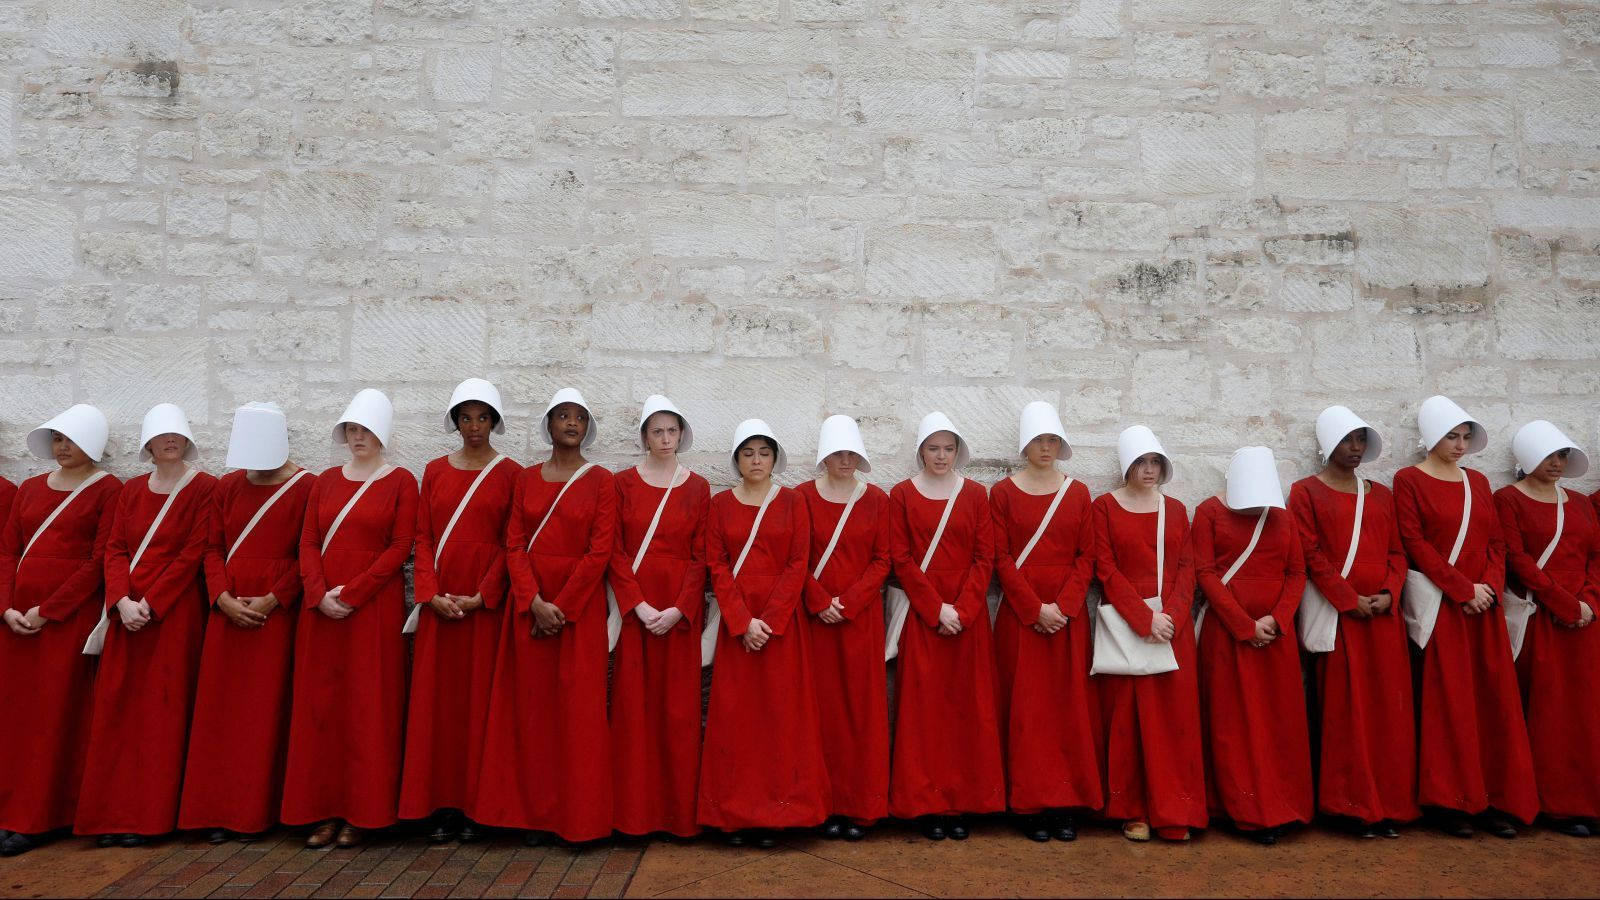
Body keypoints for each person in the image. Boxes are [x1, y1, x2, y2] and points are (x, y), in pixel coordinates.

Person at [474, 389, 616, 846]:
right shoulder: (526, 479)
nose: (571, 423)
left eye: (579, 417)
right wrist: (533, 600)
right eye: (562, 416)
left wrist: (562, 607)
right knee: (528, 713)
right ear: (550, 426)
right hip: (528, 607)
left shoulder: (601, 480)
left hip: (578, 609)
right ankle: (527, 815)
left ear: (587, 427)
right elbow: (513, 543)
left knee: (576, 715)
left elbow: (600, 550)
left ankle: (573, 817)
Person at [1394, 395, 1537, 838]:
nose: (1459, 445)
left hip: (1483, 608)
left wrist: (1488, 588)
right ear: (1431, 437)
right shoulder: (1408, 480)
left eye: (1464, 437)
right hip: (1446, 609)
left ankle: (1495, 796)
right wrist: (1461, 590)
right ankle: (1451, 801)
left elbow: (1496, 543)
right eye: (1451, 436)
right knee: (1449, 702)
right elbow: (1415, 542)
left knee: (1493, 702)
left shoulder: (1477, 483)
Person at [76, 404, 217, 846]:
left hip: (172, 614)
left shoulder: (205, 488)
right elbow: (115, 548)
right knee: (118, 712)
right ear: (149, 446)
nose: (170, 441)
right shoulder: (132, 491)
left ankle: (150, 816)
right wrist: (120, 599)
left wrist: (151, 603)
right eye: (162, 436)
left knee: (162, 712)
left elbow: (195, 551)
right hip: (127, 612)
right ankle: (110, 814)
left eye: (177, 435)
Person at [283, 389, 418, 849]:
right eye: (352, 430)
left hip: (372, 609)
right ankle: (321, 810)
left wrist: (355, 592)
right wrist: (318, 593)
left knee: (367, 708)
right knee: (322, 709)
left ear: (382, 434)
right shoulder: (324, 481)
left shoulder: (401, 481)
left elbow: (401, 546)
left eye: (366, 430)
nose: (359, 438)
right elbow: (307, 542)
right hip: (321, 611)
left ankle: (364, 811)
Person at [180, 403, 315, 843]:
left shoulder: (306, 487)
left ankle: (254, 810)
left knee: (264, 710)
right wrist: (220, 596)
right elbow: (212, 546)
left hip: (272, 610)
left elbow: (308, 553)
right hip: (230, 606)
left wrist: (276, 598)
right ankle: (216, 808)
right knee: (221, 711)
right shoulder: (228, 486)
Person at [698, 419, 828, 846]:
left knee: (781, 719)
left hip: (782, 627)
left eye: (764, 453)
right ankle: (734, 814)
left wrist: (768, 621)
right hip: (740, 628)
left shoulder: (792, 502)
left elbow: (798, 562)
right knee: (738, 721)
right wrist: (741, 621)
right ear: (737, 459)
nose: (757, 461)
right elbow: (716, 564)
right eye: (748, 453)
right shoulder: (719, 505)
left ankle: (780, 813)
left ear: (775, 458)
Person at [399, 379, 519, 843]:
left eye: (482, 417)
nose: (474, 427)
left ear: (494, 422)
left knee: (478, 706)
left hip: (482, 606)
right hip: (440, 601)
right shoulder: (433, 470)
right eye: (466, 418)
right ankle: (439, 804)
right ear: (455, 422)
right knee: (438, 707)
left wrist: (484, 594)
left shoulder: (511, 473)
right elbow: (423, 536)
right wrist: (429, 592)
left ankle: (476, 805)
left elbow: (513, 541)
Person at [1288, 407, 1416, 837]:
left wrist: (1389, 594)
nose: (1356, 448)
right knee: (1345, 711)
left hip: (1382, 620)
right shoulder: (1304, 492)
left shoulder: (1381, 496)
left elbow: (1397, 553)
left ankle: (1388, 805)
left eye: (1361, 439)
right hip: (1341, 621)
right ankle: (1349, 807)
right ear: (1329, 444)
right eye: (1348, 440)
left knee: (1387, 714)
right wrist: (1348, 599)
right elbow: (1308, 553)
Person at [0, 406, 120, 856]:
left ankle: (41, 816)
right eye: (56, 440)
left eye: (69, 439)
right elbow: (7, 551)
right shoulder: (30, 488)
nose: (62, 448)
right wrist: (7, 606)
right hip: (15, 622)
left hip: (65, 621)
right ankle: (9, 810)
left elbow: (99, 560)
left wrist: (49, 610)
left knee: (54, 717)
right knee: (14, 719)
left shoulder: (108, 490)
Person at [887, 412, 1004, 840]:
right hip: (925, 616)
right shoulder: (902, 495)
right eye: (933, 448)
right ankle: (928, 802)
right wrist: (936, 609)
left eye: (948, 448)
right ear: (921, 450)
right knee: (925, 712)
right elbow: (900, 557)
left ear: (958, 451)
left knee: (966, 710)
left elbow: (984, 557)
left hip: (967, 618)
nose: (941, 456)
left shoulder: (974, 495)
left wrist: (965, 609)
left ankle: (962, 802)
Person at [1191, 446, 1312, 845]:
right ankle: (1240, 807)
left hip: (1275, 637)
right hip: (1227, 633)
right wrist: (1243, 624)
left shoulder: (1283, 516)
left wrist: (1277, 619)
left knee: (1277, 722)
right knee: (1232, 723)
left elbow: (1296, 571)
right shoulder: (1209, 512)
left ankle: (1280, 805)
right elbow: (1205, 572)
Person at [991, 402, 1100, 842]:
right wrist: (1034, 608)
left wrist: (1066, 606)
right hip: (1023, 614)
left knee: (1067, 708)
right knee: (1026, 709)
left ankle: (1066, 799)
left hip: (1066, 614)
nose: (1046, 447)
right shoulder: (1002, 493)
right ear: (1025, 444)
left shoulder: (1078, 493)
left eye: (1052, 440)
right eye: (1039, 440)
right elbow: (999, 556)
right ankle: (1030, 801)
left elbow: (1086, 555)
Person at [1091, 425, 1206, 843]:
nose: (1149, 469)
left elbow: (1185, 567)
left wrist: (1171, 617)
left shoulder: (1175, 510)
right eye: (1141, 462)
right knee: (1130, 722)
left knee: (1174, 723)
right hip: (1130, 626)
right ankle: (1134, 810)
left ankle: (1175, 810)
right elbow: (1105, 568)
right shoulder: (1103, 507)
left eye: (1155, 461)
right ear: (1127, 466)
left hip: (1171, 629)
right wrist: (1144, 618)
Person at [610, 395, 710, 840]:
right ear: (645, 437)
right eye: (657, 431)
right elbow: (615, 550)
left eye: (672, 431)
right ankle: (634, 816)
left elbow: (701, 556)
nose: (666, 439)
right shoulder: (621, 484)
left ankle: (676, 816)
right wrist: (638, 604)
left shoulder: (698, 486)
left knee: (678, 712)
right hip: (638, 610)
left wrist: (679, 609)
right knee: (634, 710)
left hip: (678, 613)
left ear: (682, 434)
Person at [1495, 420, 1600, 836]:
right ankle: (1543, 802)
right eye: (1549, 455)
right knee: (1542, 711)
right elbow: (1516, 559)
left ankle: (1582, 802)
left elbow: (1594, 555)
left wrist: (1589, 603)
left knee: (1582, 714)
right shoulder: (1507, 500)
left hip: (1583, 622)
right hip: (1541, 617)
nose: (1557, 463)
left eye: (1562, 456)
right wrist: (1561, 602)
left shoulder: (1579, 503)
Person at [797, 415, 890, 842]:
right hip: (815, 620)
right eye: (837, 453)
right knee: (819, 711)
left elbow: (883, 559)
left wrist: (848, 602)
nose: (845, 460)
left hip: (860, 619)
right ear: (824, 456)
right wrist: (819, 601)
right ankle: (824, 804)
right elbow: (794, 556)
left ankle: (860, 805)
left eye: (852, 453)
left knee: (859, 710)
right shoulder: (800, 498)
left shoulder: (876, 500)